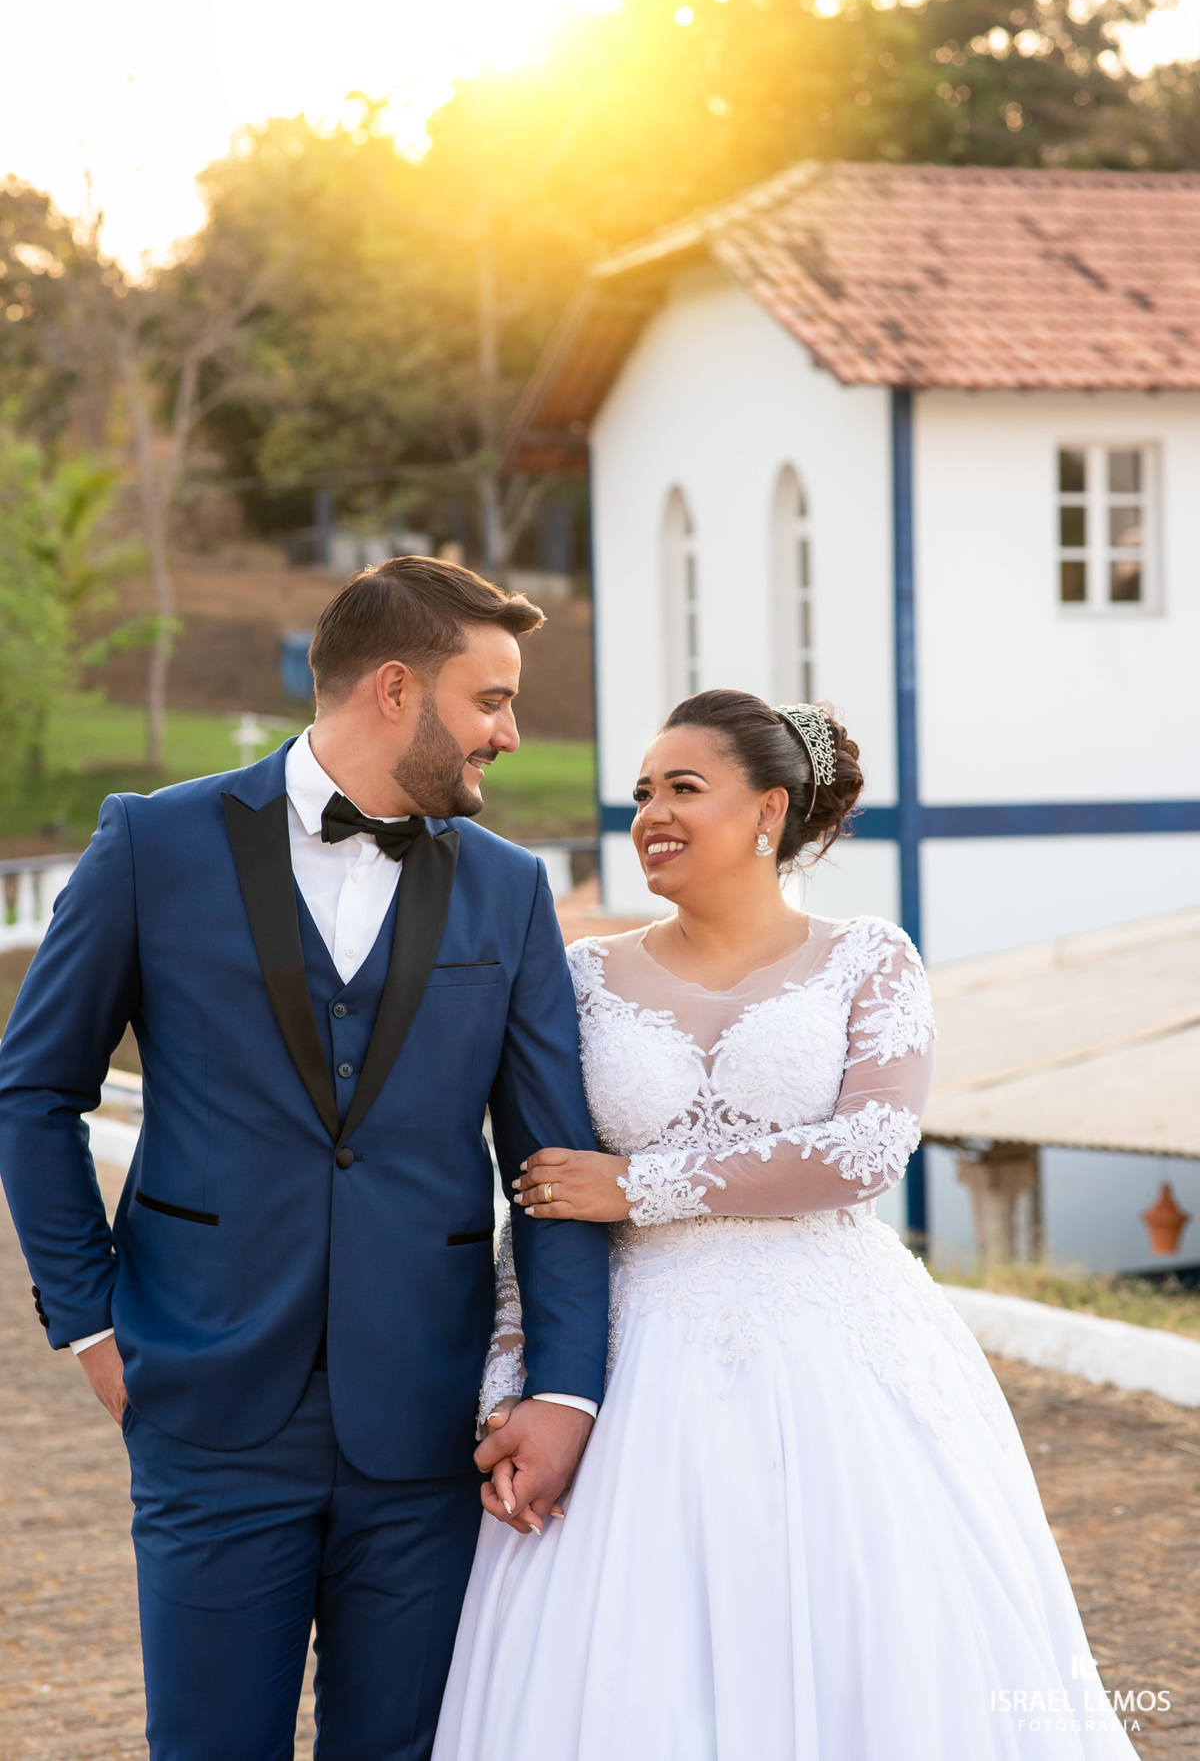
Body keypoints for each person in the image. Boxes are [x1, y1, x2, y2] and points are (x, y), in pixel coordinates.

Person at [438, 689, 1138, 1761]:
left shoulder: (868, 956)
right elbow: (541, 1192)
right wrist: (512, 1376)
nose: (651, 813)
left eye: (684, 787)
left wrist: (638, 1185)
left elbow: (865, 1148)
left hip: (841, 1353)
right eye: (640, 794)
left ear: (769, 811)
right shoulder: (579, 978)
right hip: (639, 1361)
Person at [0, 557, 610, 1761]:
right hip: (207, 1397)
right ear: (396, 688)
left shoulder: (507, 890)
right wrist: (90, 1322)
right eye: (488, 699)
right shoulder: (152, 842)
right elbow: (33, 1090)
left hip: (432, 1417)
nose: (511, 730)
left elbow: (551, 1159)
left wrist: (561, 1385)